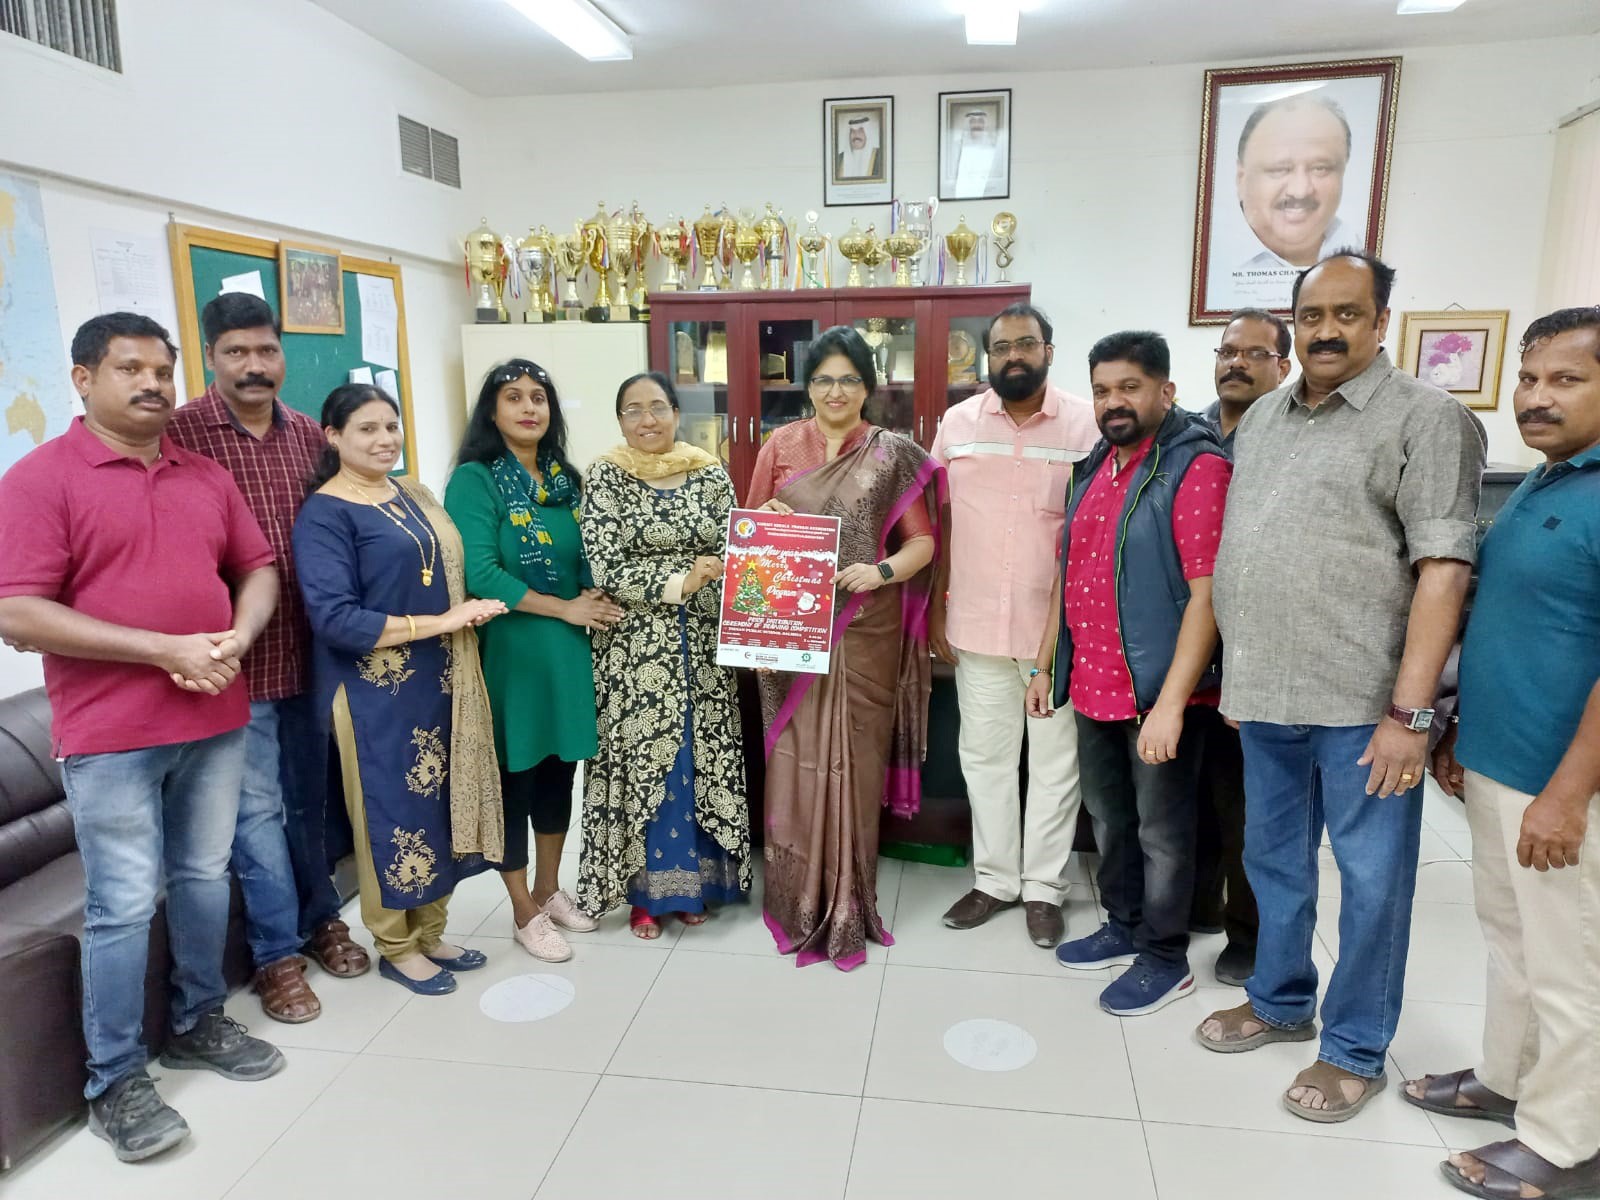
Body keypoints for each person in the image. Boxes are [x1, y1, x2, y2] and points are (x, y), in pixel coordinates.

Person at [1196, 252, 1486, 1123]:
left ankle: (1356, 1046)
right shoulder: (1265, 418)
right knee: (1272, 861)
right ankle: (1282, 1000)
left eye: (1347, 313)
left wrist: (1412, 713)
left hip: (1367, 707)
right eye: (1312, 315)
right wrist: (1242, 673)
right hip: (1268, 697)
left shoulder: (1428, 418)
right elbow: (1250, 550)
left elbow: (1444, 571)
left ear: (1381, 320)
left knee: (1372, 882)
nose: (1326, 330)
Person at [0, 313, 285, 1163]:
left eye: (163, 370)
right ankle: (115, 1080)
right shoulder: (40, 480)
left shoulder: (204, 474)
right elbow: (17, 612)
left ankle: (198, 1021)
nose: (153, 384)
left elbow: (258, 568)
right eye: (131, 369)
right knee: (122, 904)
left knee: (202, 878)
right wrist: (164, 650)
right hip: (112, 735)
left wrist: (237, 637)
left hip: (215, 717)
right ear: (84, 379)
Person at [1406, 307, 1600, 1200]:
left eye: (1566, 379)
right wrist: (1458, 731)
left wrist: (1568, 794)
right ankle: (1507, 1081)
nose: (1536, 397)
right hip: (1499, 759)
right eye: (1529, 378)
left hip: (1564, 784)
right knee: (1510, 941)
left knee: (1571, 967)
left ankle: (1566, 1144)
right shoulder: (1546, 479)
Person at [168, 293, 369, 1027]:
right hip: (232, 661)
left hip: (312, 652)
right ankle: (276, 954)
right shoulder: (180, 435)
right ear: (210, 356)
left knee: (312, 799)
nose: (254, 366)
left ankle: (323, 919)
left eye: (266, 350)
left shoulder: (312, 435)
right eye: (236, 352)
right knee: (256, 811)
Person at [1025, 331, 1231, 1016]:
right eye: (1102, 390)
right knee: (1111, 820)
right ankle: (1125, 923)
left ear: (1165, 390)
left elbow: (1206, 595)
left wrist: (1172, 704)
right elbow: (1069, 575)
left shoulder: (1195, 467)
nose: (1114, 402)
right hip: (1093, 685)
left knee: (1162, 833)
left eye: (1130, 388)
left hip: (1158, 693)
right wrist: (1046, 666)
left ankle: (1166, 957)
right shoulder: (1094, 467)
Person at [293, 384, 507, 996]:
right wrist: (443, 621)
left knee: (441, 806)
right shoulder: (325, 514)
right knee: (389, 815)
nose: (385, 439)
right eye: (367, 429)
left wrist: (460, 620)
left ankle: (431, 932)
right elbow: (336, 619)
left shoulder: (412, 493)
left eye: (391, 425)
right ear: (333, 436)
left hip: (440, 678)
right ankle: (395, 944)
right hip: (372, 693)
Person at [750, 326, 944, 970]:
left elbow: (922, 544)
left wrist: (880, 571)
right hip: (791, 628)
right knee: (795, 759)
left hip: (865, 630)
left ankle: (847, 903)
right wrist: (769, 521)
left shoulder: (893, 453)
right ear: (808, 386)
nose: (836, 391)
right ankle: (795, 899)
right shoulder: (780, 445)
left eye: (849, 380)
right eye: (824, 379)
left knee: (853, 764)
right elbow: (751, 533)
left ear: (868, 386)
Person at [930, 303, 1097, 949]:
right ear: (988, 357)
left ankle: (1044, 889)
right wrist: (936, 607)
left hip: (1056, 634)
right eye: (1001, 347)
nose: (1014, 356)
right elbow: (938, 520)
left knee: (1055, 765)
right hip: (975, 626)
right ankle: (995, 880)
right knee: (985, 760)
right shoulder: (957, 424)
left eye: (1026, 344)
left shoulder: (1085, 424)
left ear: (1048, 351)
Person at [444, 360, 619, 962]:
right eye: (514, 397)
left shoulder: (565, 479)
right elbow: (481, 573)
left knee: (558, 774)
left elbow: (587, 554)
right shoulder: (475, 481)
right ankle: (521, 907)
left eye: (538, 397)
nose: (528, 408)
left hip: (567, 653)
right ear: (491, 412)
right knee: (515, 778)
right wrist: (566, 608)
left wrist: (595, 591)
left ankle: (548, 889)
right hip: (512, 652)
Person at [577, 371, 750, 935]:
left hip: (702, 642)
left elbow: (735, 550)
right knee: (649, 761)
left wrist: (759, 536)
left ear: (677, 413)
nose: (647, 419)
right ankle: (647, 895)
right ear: (620, 420)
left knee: (700, 757)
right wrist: (682, 579)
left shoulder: (709, 472)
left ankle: (696, 884)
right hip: (635, 647)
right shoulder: (607, 475)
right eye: (633, 410)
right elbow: (605, 564)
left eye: (657, 407)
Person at [1189, 308, 1292, 987]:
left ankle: (1249, 934)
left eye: (1256, 354)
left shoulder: (1290, 437)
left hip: (1255, 649)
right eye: (1229, 351)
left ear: (1283, 366)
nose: (1237, 363)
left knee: (1248, 806)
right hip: (1187, 645)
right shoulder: (1191, 433)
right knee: (1191, 791)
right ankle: (1197, 903)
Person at [1206, 93, 1358, 310]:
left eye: (1320, 168)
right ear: (1241, 177)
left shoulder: (1358, 249)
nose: (1300, 190)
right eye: (1279, 169)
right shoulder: (1214, 262)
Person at [836, 114, 882, 181]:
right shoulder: (839, 159)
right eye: (852, 131)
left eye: (860, 131)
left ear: (867, 133)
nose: (856, 135)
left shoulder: (880, 156)